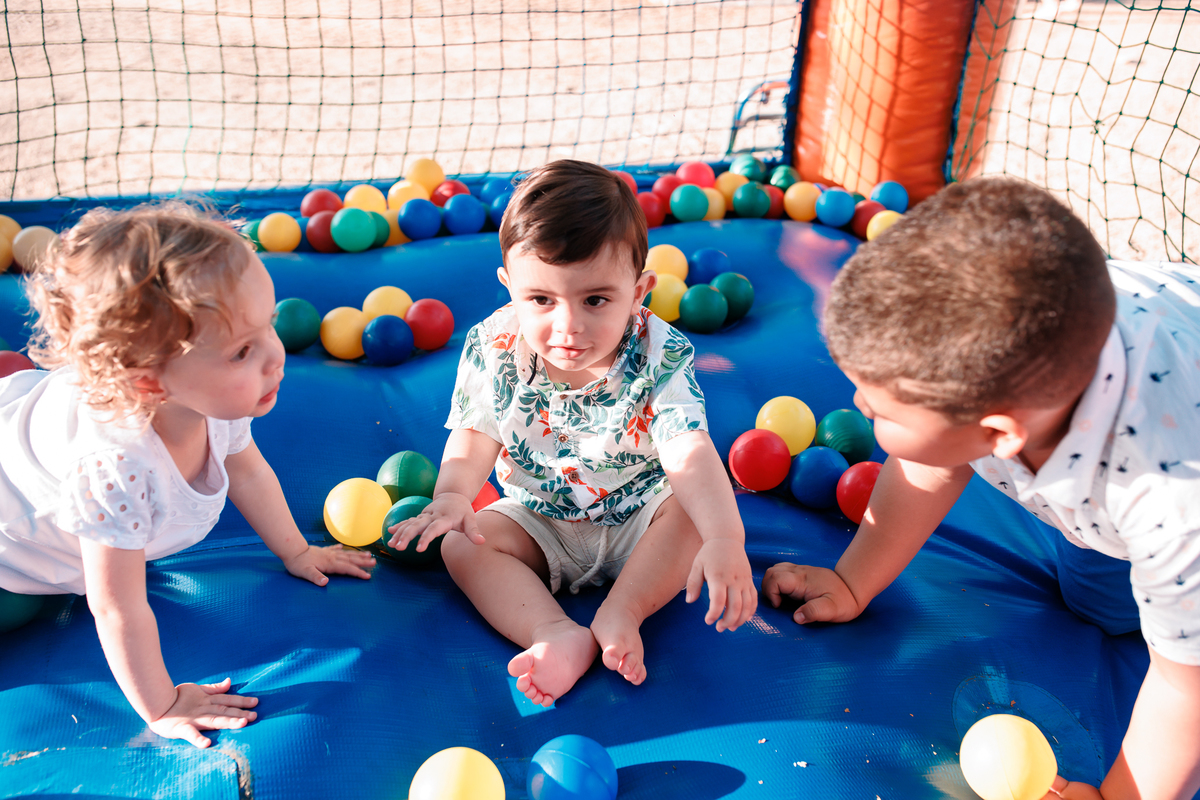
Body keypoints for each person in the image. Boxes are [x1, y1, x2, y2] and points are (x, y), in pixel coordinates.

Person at [763, 177, 1199, 799]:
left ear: (998, 433)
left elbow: (1185, 689)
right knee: (1098, 606)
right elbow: (929, 464)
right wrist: (854, 579)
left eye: (881, 410)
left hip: (1173, 455)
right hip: (1129, 403)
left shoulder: (1169, 509)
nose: (858, 405)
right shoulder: (1012, 365)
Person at [0, 203, 376, 748]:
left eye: (269, 325)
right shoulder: (118, 468)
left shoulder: (208, 399)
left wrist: (298, 551)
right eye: (242, 350)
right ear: (150, 383)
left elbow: (247, 469)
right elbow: (117, 606)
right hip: (13, 536)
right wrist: (162, 704)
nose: (275, 356)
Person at [389, 160, 757, 707]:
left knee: (694, 513)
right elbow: (475, 432)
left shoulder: (658, 352)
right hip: (540, 520)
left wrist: (727, 539)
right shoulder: (494, 346)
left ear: (639, 292)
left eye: (595, 300)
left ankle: (623, 610)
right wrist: (451, 496)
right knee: (464, 543)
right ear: (509, 286)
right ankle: (553, 631)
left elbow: (688, 449)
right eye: (541, 300)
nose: (568, 325)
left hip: (641, 520)